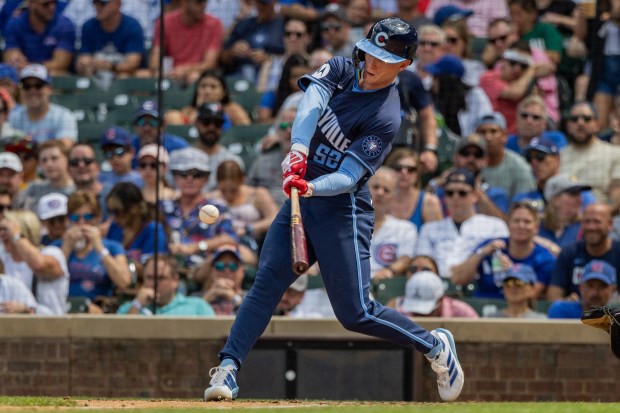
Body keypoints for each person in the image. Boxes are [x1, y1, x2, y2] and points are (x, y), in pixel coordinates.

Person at [203, 18, 464, 403]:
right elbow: (311, 102)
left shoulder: (386, 115)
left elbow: (348, 176)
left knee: (355, 312)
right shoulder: (343, 68)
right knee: (266, 285)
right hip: (302, 200)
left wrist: (310, 185)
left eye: (383, 58)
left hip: (343, 209)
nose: (371, 62)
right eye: (370, 52)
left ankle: (434, 345)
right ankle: (228, 368)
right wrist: (299, 151)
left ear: (403, 64)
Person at [416, 168, 509, 279]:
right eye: (449, 193)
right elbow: (421, 264)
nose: (455, 197)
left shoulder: (495, 226)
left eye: (462, 193)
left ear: (475, 196)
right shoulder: (429, 229)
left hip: (479, 287)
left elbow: (502, 263)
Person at [451, 200, 556, 299]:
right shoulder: (491, 246)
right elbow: (457, 279)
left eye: (527, 222)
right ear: (509, 224)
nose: (521, 226)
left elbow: (532, 295)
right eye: (516, 221)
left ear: (536, 228)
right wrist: (482, 253)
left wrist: (513, 271)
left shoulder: (544, 258)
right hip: (482, 307)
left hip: (516, 313)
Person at [59, 191, 130, 302]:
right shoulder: (57, 247)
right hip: (64, 308)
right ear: (68, 219)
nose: (82, 223)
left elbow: (124, 282)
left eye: (88, 217)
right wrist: (66, 249)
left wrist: (100, 248)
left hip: (99, 310)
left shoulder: (112, 247)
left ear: (98, 217)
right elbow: (47, 278)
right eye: (75, 218)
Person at [0, 209, 69, 314]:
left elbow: (39, 266)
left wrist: (16, 236)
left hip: (50, 325)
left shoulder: (52, 253)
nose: (2, 234)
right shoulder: (3, 257)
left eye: (7, 229)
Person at [547, 203, 620, 301]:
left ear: (610, 224)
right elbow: (553, 295)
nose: (591, 227)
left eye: (597, 222)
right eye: (586, 222)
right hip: (576, 314)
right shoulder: (569, 254)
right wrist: (567, 303)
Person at [211, 160, 278, 259]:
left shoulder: (257, 194)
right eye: (223, 190)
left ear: (242, 180)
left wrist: (248, 229)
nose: (228, 194)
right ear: (218, 183)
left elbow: (274, 218)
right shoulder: (212, 197)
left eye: (233, 190)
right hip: (218, 243)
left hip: (248, 245)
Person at [147, 0, 223, 85]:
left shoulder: (214, 24)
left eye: (205, 2)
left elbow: (210, 63)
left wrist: (184, 70)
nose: (204, 6)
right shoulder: (165, 22)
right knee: (143, 75)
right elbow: (155, 60)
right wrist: (164, 72)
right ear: (184, 3)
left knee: (194, 76)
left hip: (198, 73)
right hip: (171, 73)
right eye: (198, 2)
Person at [116, 254, 215, 316]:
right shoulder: (128, 308)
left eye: (160, 278)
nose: (153, 283)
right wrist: (137, 305)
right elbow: (117, 340)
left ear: (175, 280)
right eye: (149, 278)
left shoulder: (198, 306)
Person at [560, 101, 620, 202]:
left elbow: (617, 194)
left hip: (601, 213)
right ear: (568, 125)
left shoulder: (615, 154)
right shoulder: (558, 156)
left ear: (597, 124)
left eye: (587, 119)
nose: (580, 123)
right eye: (574, 119)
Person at [8, 64, 77, 149]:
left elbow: (65, 146)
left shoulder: (63, 115)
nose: (32, 90)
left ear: (49, 89)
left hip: (50, 161)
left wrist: (30, 145)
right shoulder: (13, 117)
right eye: (27, 86)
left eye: (38, 85)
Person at [368, 167, 418, 279]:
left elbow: (405, 259)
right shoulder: (347, 224)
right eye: (376, 187)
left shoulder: (406, 228)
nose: (380, 193)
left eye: (386, 190)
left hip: (383, 286)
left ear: (393, 196)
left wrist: (389, 271)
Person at [3, 0, 76, 75]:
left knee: (58, 73)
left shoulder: (64, 25)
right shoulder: (15, 23)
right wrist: (17, 61)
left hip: (52, 77)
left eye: (54, 3)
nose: (52, 7)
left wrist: (28, 67)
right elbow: (10, 59)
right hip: (23, 77)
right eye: (46, 4)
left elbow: (60, 64)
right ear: (30, 3)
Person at [104, 182, 169, 267]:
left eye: (117, 212)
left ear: (134, 208)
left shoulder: (153, 230)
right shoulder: (114, 228)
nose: (113, 217)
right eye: (110, 211)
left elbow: (152, 271)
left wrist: (120, 260)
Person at [76, 0, 145, 78]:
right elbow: (84, 57)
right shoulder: (88, 26)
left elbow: (133, 63)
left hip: (120, 73)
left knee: (126, 76)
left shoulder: (132, 26)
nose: (98, 7)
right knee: (85, 75)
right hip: (97, 73)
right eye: (95, 3)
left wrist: (110, 66)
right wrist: (85, 65)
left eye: (103, 3)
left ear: (118, 4)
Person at [475, 112, 536, 200]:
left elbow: (525, 209)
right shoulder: (470, 164)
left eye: (493, 131)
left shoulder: (520, 167)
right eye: (482, 132)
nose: (488, 137)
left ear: (504, 136)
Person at [247, 107, 297, 206]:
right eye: (283, 126)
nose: (288, 131)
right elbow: (247, 192)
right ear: (277, 131)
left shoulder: (312, 163)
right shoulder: (261, 162)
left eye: (293, 126)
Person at [165, 70, 251, 127]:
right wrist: (199, 109)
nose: (207, 91)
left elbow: (245, 131)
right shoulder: (188, 111)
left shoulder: (232, 109)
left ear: (223, 92)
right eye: (203, 86)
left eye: (213, 87)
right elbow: (190, 134)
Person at [385, 148, 442, 230]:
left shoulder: (430, 202)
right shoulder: (379, 197)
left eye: (410, 169)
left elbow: (435, 239)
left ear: (417, 173)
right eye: (398, 168)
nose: (404, 172)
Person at [193, 102, 245, 191]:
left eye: (217, 123)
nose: (211, 127)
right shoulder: (181, 157)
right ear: (197, 123)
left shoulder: (233, 161)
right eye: (206, 122)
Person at [391, 270, 479, 318]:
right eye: (415, 311)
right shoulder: (400, 315)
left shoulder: (462, 313)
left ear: (440, 299)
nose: (420, 315)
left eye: (425, 313)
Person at [548, 260, 617, 319]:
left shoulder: (615, 318)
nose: (595, 292)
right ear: (580, 287)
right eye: (590, 286)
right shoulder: (562, 310)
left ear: (613, 290)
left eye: (602, 286)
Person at [131, 100, 189, 168]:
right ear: (135, 126)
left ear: (163, 126)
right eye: (141, 122)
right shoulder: (129, 147)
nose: (147, 128)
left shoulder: (178, 147)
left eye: (153, 122)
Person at [21, 139, 75, 212]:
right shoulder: (33, 189)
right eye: (44, 160)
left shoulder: (78, 190)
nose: (49, 164)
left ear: (66, 159)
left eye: (54, 158)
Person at [539, 174, 590, 249]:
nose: (579, 199)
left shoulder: (585, 226)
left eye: (579, 194)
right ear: (555, 200)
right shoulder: (535, 225)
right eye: (573, 194)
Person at [197, 244, 246, 316]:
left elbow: (255, 321)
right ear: (212, 271)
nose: (227, 270)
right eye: (220, 266)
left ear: (242, 271)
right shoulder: (197, 298)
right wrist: (205, 300)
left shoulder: (252, 297)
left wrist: (235, 298)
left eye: (233, 266)